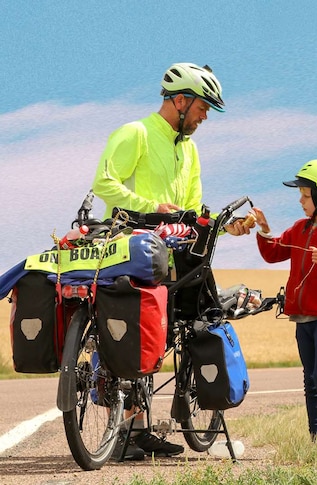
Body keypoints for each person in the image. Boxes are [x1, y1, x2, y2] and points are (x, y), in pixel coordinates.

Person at [91, 62, 249, 461]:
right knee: (133, 331)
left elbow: (193, 211)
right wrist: (152, 208)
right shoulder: (137, 133)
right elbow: (103, 184)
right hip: (128, 247)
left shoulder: (191, 150)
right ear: (179, 100)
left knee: (166, 330)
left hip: (171, 255)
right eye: (201, 106)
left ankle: (140, 425)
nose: (205, 115)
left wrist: (227, 228)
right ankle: (126, 422)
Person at [250, 159, 317, 442]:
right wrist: (264, 229)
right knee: (310, 381)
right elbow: (273, 253)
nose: (300, 200)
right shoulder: (301, 228)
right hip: (303, 318)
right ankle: (315, 437)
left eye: (305, 195)